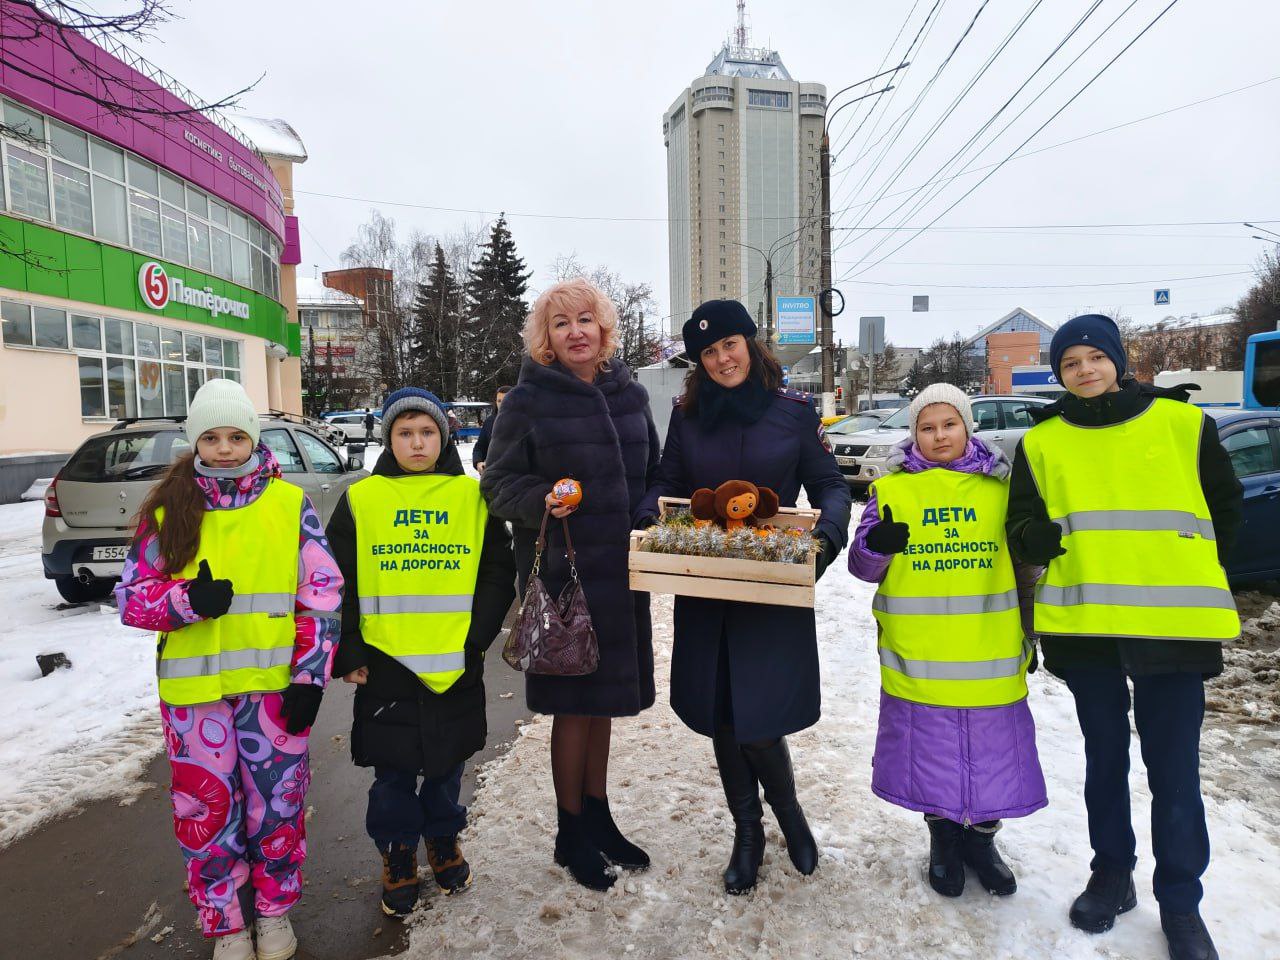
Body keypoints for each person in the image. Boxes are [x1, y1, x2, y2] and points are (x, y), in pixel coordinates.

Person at [1006, 314, 1243, 960]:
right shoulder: (1043, 442)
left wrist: (1200, 568)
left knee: (1174, 773)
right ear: (1059, 375)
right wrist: (1033, 540)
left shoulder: (1183, 425)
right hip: (1086, 629)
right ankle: (1112, 874)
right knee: (1104, 764)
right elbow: (1021, 523)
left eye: (1093, 358)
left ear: (1117, 359)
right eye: (1070, 363)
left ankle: (1181, 902)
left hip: (1174, 625)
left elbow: (1227, 511)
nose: (1084, 371)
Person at [116, 379, 343, 960]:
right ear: (195, 442)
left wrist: (310, 677)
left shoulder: (290, 506)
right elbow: (131, 599)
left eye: (236, 436)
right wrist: (186, 600)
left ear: (253, 438)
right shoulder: (168, 510)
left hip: (272, 694)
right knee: (208, 815)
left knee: (277, 810)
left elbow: (320, 595)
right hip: (194, 699)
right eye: (211, 437)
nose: (224, 448)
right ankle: (227, 926)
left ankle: (273, 916)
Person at [636, 299, 851, 895]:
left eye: (729, 344)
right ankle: (748, 831)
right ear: (699, 363)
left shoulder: (793, 414)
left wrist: (827, 536)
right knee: (722, 717)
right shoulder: (688, 417)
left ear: (751, 346)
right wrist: (646, 515)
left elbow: (830, 485)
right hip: (705, 588)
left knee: (759, 717)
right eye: (708, 352)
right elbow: (667, 483)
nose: (721, 358)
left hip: (769, 586)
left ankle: (789, 815)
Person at [481, 277, 659, 892]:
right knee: (573, 708)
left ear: (604, 329)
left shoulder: (630, 396)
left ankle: (600, 817)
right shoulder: (528, 403)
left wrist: (648, 517)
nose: (576, 331)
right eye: (562, 323)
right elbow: (497, 485)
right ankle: (569, 830)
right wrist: (543, 501)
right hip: (567, 579)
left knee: (603, 705)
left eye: (585, 319)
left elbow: (653, 478)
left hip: (623, 576)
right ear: (547, 339)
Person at [848, 383, 1047, 899]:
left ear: (967, 426)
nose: (939, 436)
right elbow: (862, 567)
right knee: (933, 754)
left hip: (990, 652)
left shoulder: (1003, 489)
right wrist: (876, 547)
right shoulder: (892, 489)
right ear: (914, 433)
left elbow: (1025, 568)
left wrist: (1032, 631)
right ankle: (943, 841)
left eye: (949, 424)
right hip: (921, 655)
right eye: (927, 427)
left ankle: (982, 841)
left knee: (993, 755)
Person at [325, 387, 515, 918]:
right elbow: (339, 580)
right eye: (405, 433)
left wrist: (476, 638)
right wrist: (349, 649)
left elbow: (497, 572)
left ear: (444, 435)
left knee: (446, 763)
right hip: (386, 661)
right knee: (391, 770)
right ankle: (399, 851)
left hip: (453, 658)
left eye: (427, 432)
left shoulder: (471, 497)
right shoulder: (363, 498)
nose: (416, 443)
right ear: (389, 438)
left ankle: (442, 838)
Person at [472, 385, 512, 474]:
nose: (502, 404)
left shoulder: (527, 422)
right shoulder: (489, 422)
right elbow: (480, 447)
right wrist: (478, 462)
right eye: (499, 401)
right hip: (494, 477)